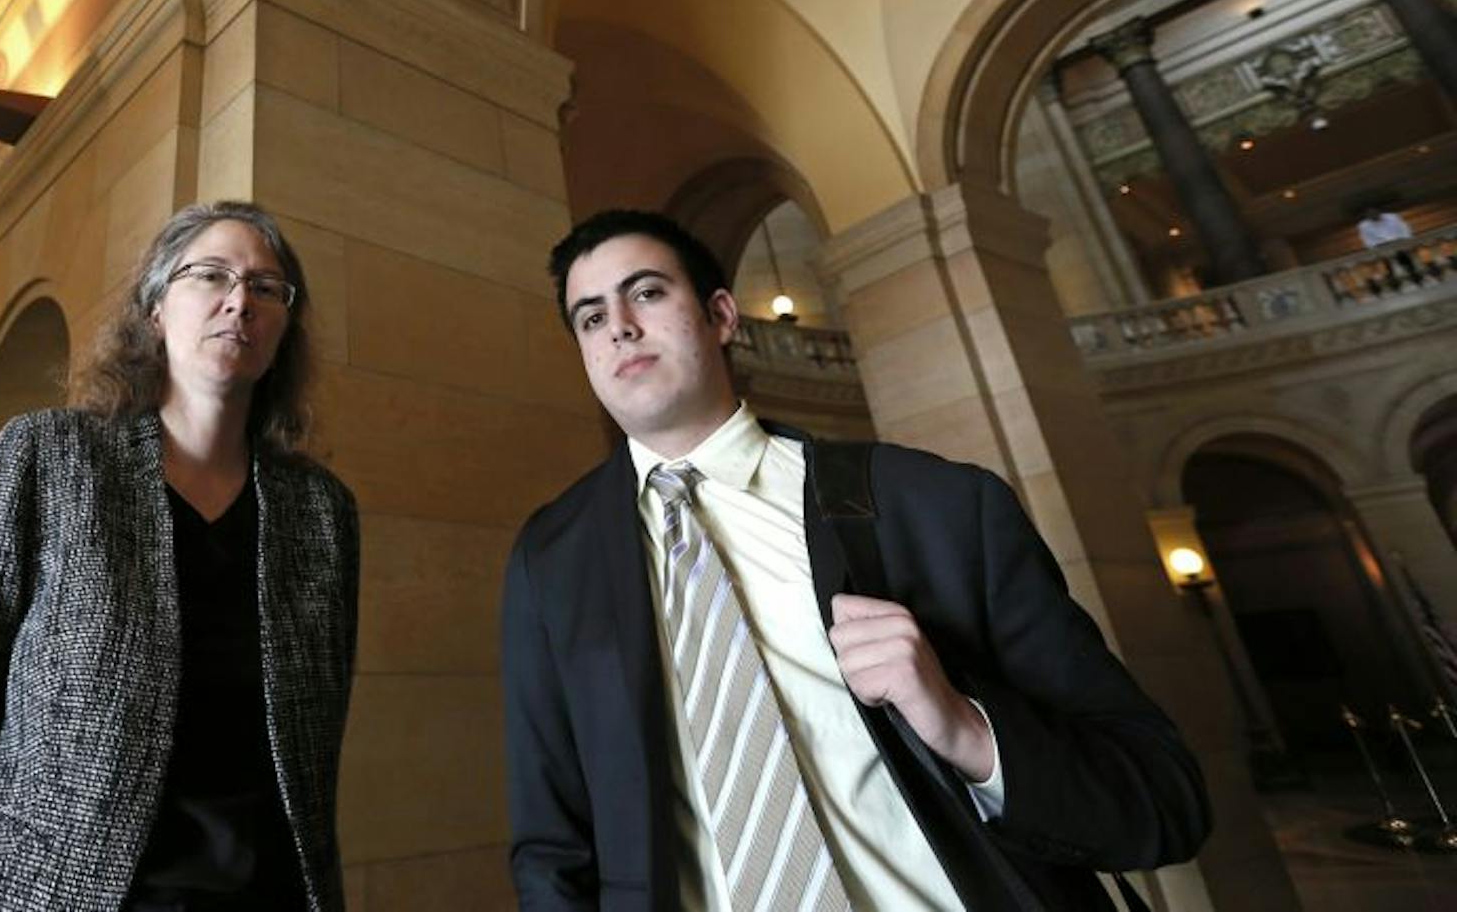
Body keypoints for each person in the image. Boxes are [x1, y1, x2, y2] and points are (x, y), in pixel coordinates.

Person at [501, 208, 1209, 911]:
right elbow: (554, 844)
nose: (619, 324)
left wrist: (963, 727)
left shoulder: (937, 505)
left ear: (721, 315)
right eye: (590, 317)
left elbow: (1163, 797)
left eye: (647, 292)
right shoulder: (552, 557)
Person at [0, 201, 359, 912]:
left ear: (284, 326)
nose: (238, 300)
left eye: (266, 287)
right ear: (156, 306)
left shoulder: (323, 510)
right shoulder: (49, 455)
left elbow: (316, 752)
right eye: (210, 274)